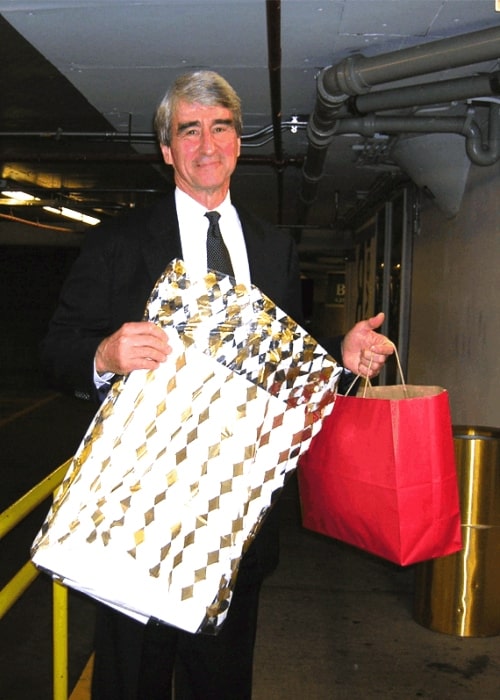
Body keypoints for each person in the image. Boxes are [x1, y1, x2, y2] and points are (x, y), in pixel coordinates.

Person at [40, 70, 394, 700]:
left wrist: (339, 357)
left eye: (221, 127)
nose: (207, 143)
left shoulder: (272, 247)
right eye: (190, 130)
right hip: (136, 521)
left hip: (234, 524)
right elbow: (56, 350)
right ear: (168, 149)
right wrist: (104, 351)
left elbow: (289, 370)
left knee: (222, 684)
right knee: (131, 683)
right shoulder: (121, 241)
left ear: (237, 143)